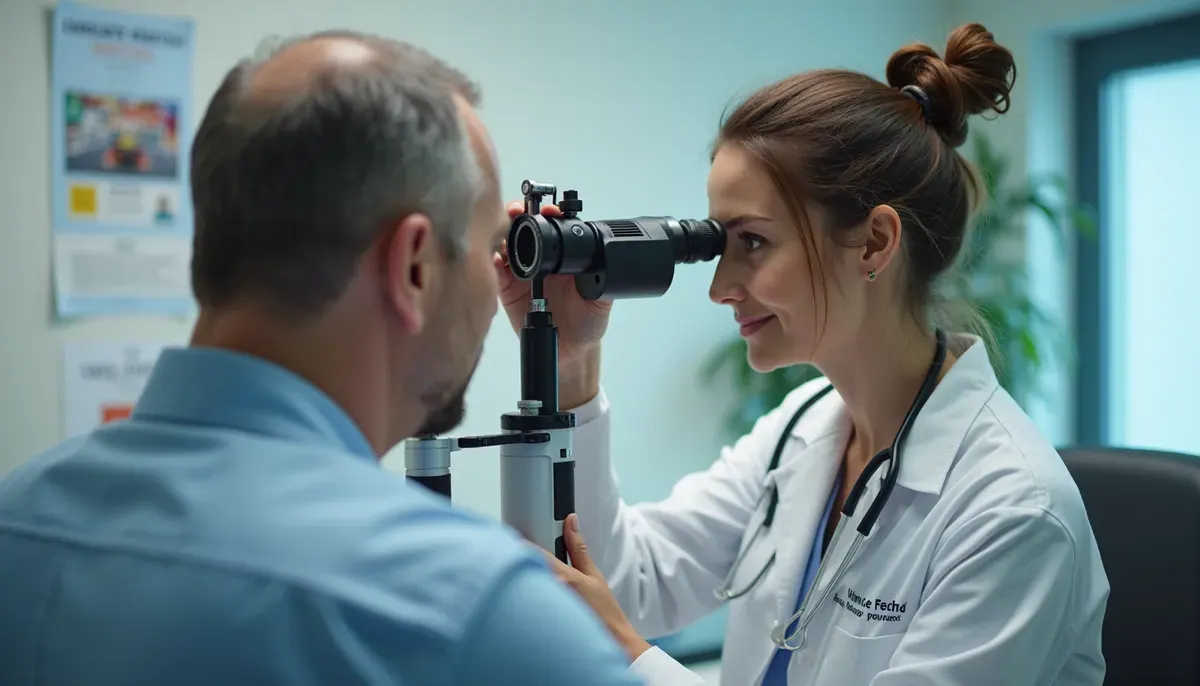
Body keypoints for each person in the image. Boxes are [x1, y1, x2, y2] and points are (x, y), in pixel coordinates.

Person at [0, 31, 643, 686]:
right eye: (489, 248)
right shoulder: (481, 618)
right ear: (414, 266)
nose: (498, 275)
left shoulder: (14, 517)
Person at [498, 23, 1110, 685]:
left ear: (874, 243)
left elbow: (621, 620)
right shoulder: (803, 428)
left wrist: (629, 657)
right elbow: (629, 580)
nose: (719, 287)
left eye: (753, 243)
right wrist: (574, 362)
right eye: (716, 243)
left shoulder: (1013, 513)